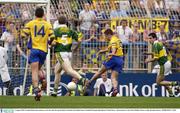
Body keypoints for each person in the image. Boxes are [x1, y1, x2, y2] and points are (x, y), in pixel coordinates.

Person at [21, 7, 55, 101]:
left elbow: (23, 35)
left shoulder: (31, 23)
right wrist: (49, 42)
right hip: (43, 51)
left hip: (34, 49)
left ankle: (36, 91)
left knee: (34, 71)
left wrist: (27, 39)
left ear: (35, 15)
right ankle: (43, 80)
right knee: (39, 69)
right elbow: (52, 36)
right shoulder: (47, 24)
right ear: (43, 15)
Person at [51, 16, 88, 97]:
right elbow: (80, 39)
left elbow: (53, 42)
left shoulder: (56, 31)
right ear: (65, 22)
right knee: (57, 71)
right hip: (69, 53)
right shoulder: (70, 31)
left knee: (68, 70)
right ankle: (55, 91)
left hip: (61, 52)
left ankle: (82, 80)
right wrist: (76, 47)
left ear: (58, 22)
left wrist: (51, 45)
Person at [88, 29, 124, 97]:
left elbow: (113, 50)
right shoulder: (117, 39)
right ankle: (115, 89)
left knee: (100, 71)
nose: (105, 37)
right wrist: (103, 51)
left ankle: (89, 81)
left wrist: (110, 54)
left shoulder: (112, 40)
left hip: (113, 58)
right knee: (113, 77)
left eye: (105, 36)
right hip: (120, 59)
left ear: (108, 35)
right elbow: (112, 48)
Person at [145, 33, 179, 97]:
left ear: (154, 38)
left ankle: (175, 83)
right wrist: (149, 53)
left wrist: (148, 60)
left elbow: (156, 58)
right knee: (162, 81)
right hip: (167, 63)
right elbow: (159, 53)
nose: (149, 40)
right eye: (148, 38)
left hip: (163, 64)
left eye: (150, 38)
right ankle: (171, 93)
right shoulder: (159, 43)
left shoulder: (155, 45)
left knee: (158, 82)